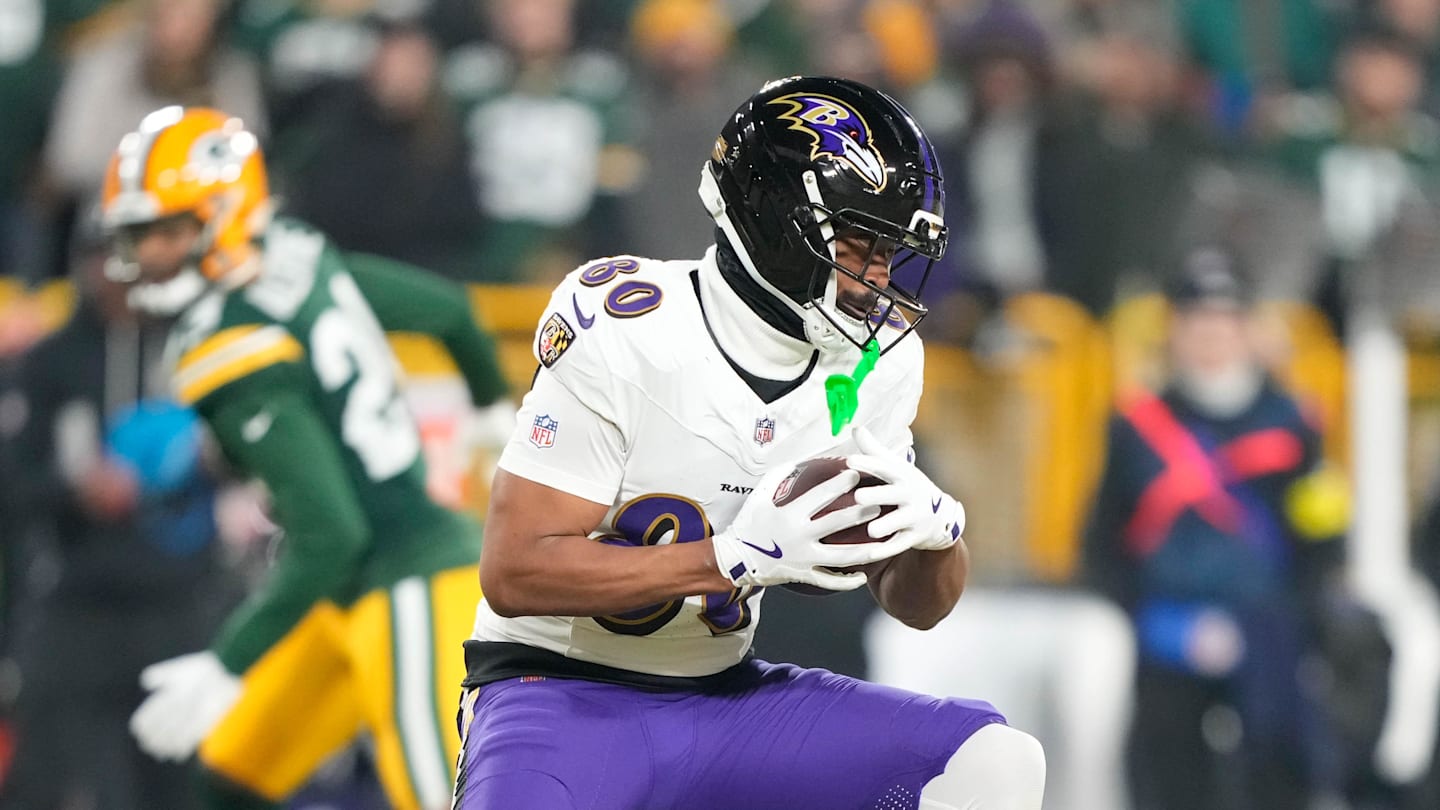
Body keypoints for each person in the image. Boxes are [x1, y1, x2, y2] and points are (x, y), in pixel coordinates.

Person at [454, 75, 1047, 810]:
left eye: (892, 251)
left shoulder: (885, 359)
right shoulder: (627, 325)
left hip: (725, 693)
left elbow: (916, 603)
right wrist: (729, 559)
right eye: (863, 243)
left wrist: (936, 532)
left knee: (994, 761)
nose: (880, 278)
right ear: (775, 220)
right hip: (560, 689)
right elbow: (514, 572)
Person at [99, 106, 513, 810]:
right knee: (232, 780)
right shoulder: (294, 252)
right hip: (347, 588)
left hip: (404, 581)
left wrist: (228, 662)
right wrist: (492, 411)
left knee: (460, 803)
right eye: (140, 235)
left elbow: (332, 532)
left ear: (223, 216)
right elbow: (449, 311)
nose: (150, 255)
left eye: (167, 230)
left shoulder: (223, 349)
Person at [1081, 247, 1349, 810]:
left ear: (1249, 329)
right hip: (1165, 627)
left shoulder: (1294, 423)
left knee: (1279, 761)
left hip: (1267, 626)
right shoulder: (1135, 426)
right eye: (1196, 321)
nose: (1210, 337)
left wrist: (1294, 620)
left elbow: (1323, 538)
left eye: (1225, 322)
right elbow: (1102, 539)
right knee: (1165, 763)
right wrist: (1145, 619)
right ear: (1173, 331)